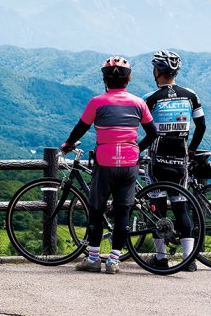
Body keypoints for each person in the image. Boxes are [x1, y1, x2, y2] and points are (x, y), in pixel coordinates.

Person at [60, 56, 157, 274]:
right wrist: (136, 149)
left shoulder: (97, 102)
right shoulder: (138, 103)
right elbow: (153, 133)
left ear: (104, 79)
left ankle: (93, 259)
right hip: (129, 163)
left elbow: (81, 128)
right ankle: (113, 261)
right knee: (123, 211)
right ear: (128, 79)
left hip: (105, 162)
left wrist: (68, 144)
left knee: (96, 210)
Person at [138, 49, 207, 271]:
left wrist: (136, 150)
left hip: (157, 159)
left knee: (157, 208)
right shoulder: (191, 95)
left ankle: (161, 258)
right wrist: (192, 150)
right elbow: (202, 126)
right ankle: (189, 260)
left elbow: (148, 133)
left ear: (158, 71)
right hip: (181, 158)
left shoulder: (150, 99)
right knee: (181, 208)